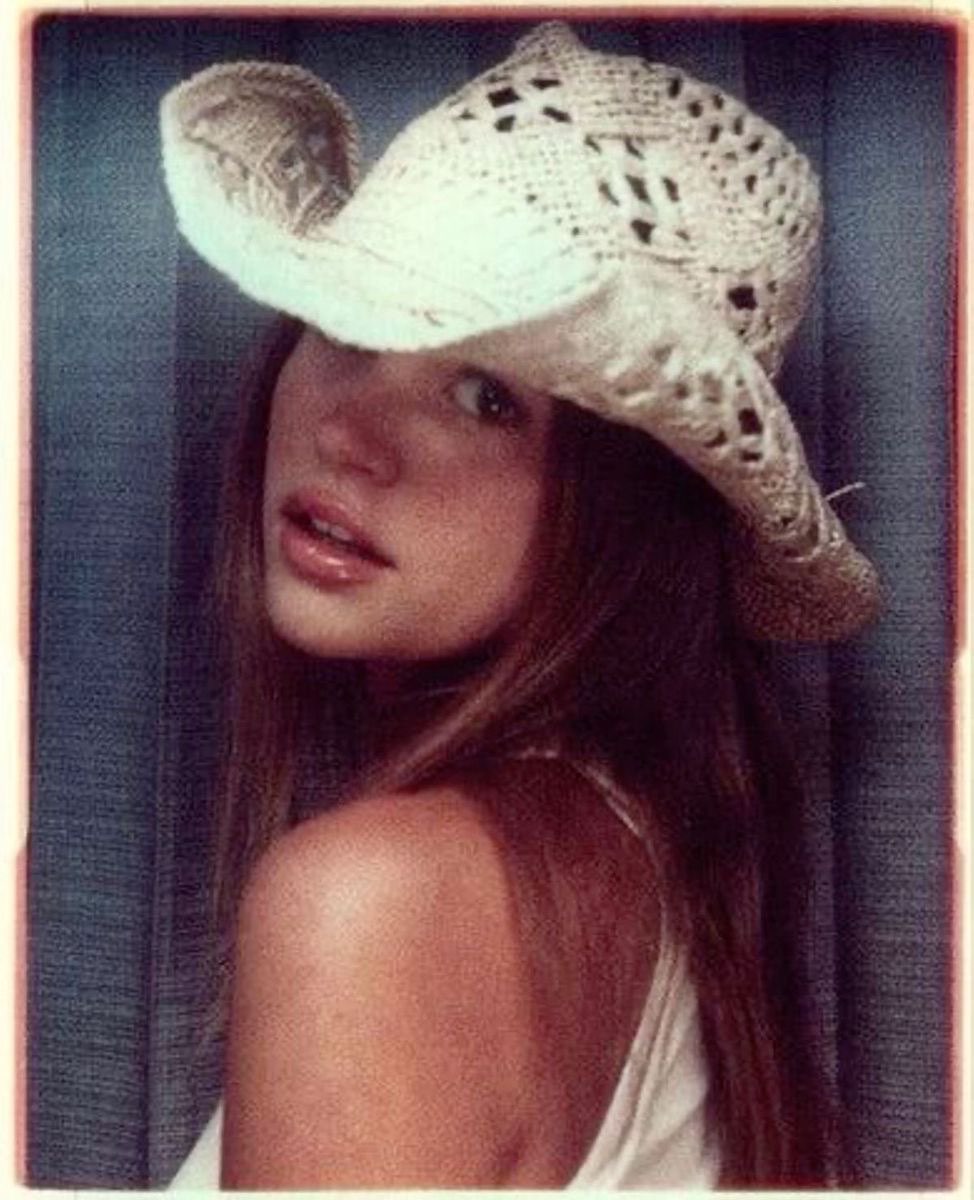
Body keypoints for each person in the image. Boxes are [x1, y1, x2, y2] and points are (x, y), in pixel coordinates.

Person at [160, 21, 880, 1190]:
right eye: (346, 324)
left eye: (483, 397)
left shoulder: (378, 897)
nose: (347, 433)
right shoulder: (636, 849)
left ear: (625, 509)